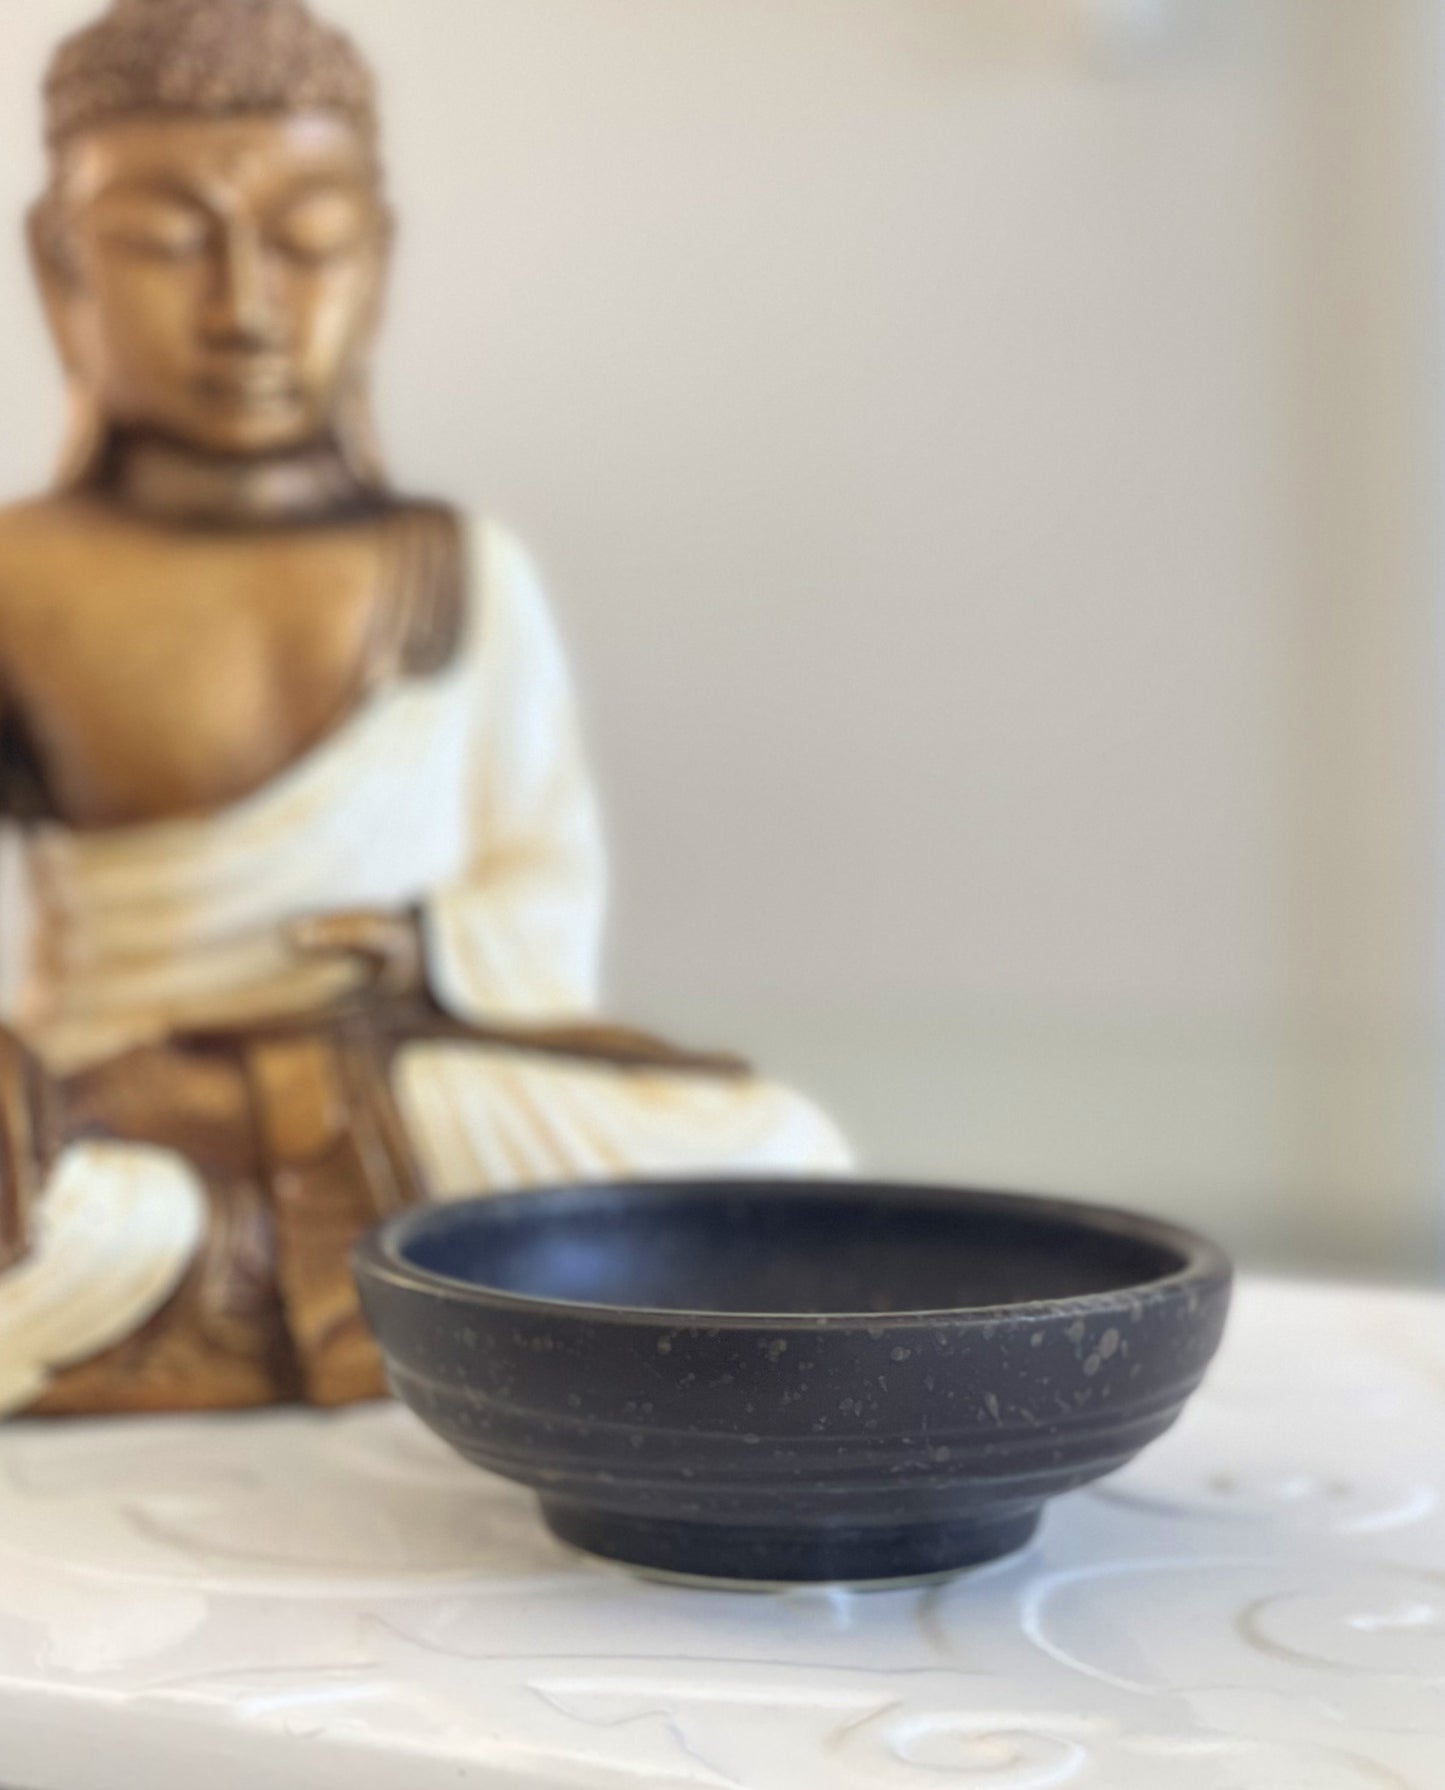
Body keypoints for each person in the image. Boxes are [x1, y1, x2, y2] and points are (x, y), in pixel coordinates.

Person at [0, 0, 849, 1418]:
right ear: (58, 267)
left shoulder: (455, 567)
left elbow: (540, 867)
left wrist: (424, 945)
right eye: (168, 241)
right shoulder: (22, 571)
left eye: (310, 239)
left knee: (773, 1155)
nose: (248, 306)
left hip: (399, 1081)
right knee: (93, 1205)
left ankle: (240, 1286)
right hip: (113, 1101)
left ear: (378, 261)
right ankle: (405, 1298)